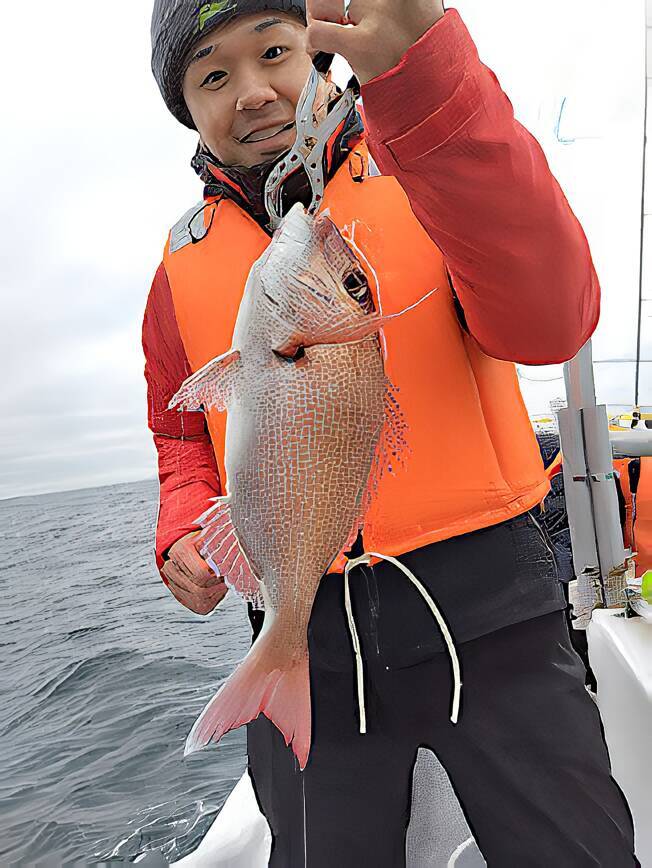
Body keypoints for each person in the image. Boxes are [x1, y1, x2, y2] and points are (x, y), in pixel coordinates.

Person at [144, 1, 638, 864]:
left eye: (274, 51)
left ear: (326, 58)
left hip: (491, 605)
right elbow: (178, 430)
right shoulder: (177, 266)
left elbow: (554, 320)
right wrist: (184, 519)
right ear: (186, 106)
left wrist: (428, 85)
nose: (253, 91)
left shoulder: (431, 171)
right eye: (214, 75)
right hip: (309, 628)